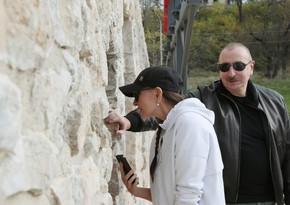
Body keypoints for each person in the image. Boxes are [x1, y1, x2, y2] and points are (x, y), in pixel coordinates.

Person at [105, 43, 290, 205]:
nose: (231, 73)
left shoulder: (275, 102)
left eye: (238, 66)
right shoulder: (203, 100)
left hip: (268, 199)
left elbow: (287, 153)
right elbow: (168, 109)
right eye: (224, 67)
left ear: (251, 67)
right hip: (226, 200)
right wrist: (130, 121)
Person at [115, 66, 225, 205]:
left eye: (137, 94)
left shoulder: (190, 124)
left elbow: (188, 197)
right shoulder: (166, 130)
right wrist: (136, 191)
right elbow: (169, 196)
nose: (135, 102)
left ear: (157, 94)